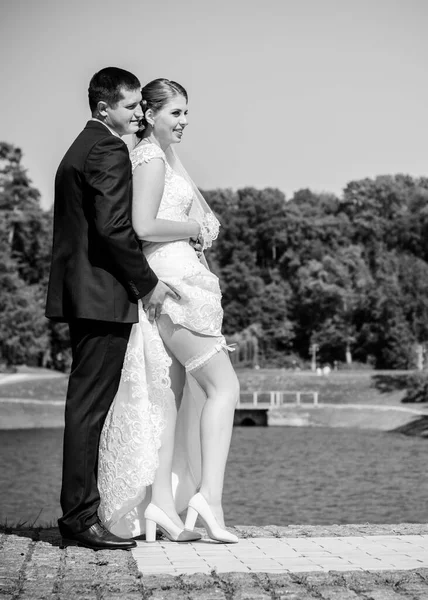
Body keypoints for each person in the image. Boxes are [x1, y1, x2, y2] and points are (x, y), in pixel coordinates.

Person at [98, 78, 240, 544]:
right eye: (175, 113)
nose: (183, 122)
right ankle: (209, 499)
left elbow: (193, 219)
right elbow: (142, 226)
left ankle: (161, 503)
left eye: (186, 113)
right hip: (173, 287)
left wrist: (198, 230)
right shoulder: (151, 157)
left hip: (183, 280)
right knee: (225, 386)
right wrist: (193, 227)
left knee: (171, 398)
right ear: (152, 114)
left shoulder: (164, 156)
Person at [45, 67, 178, 551]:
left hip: (83, 295)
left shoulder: (78, 147)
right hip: (102, 298)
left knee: (85, 407)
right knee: (88, 410)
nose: (138, 113)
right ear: (104, 108)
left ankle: (83, 512)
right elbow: (113, 228)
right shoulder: (106, 148)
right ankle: (80, 518)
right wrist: (148, 284)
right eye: (130, 106)